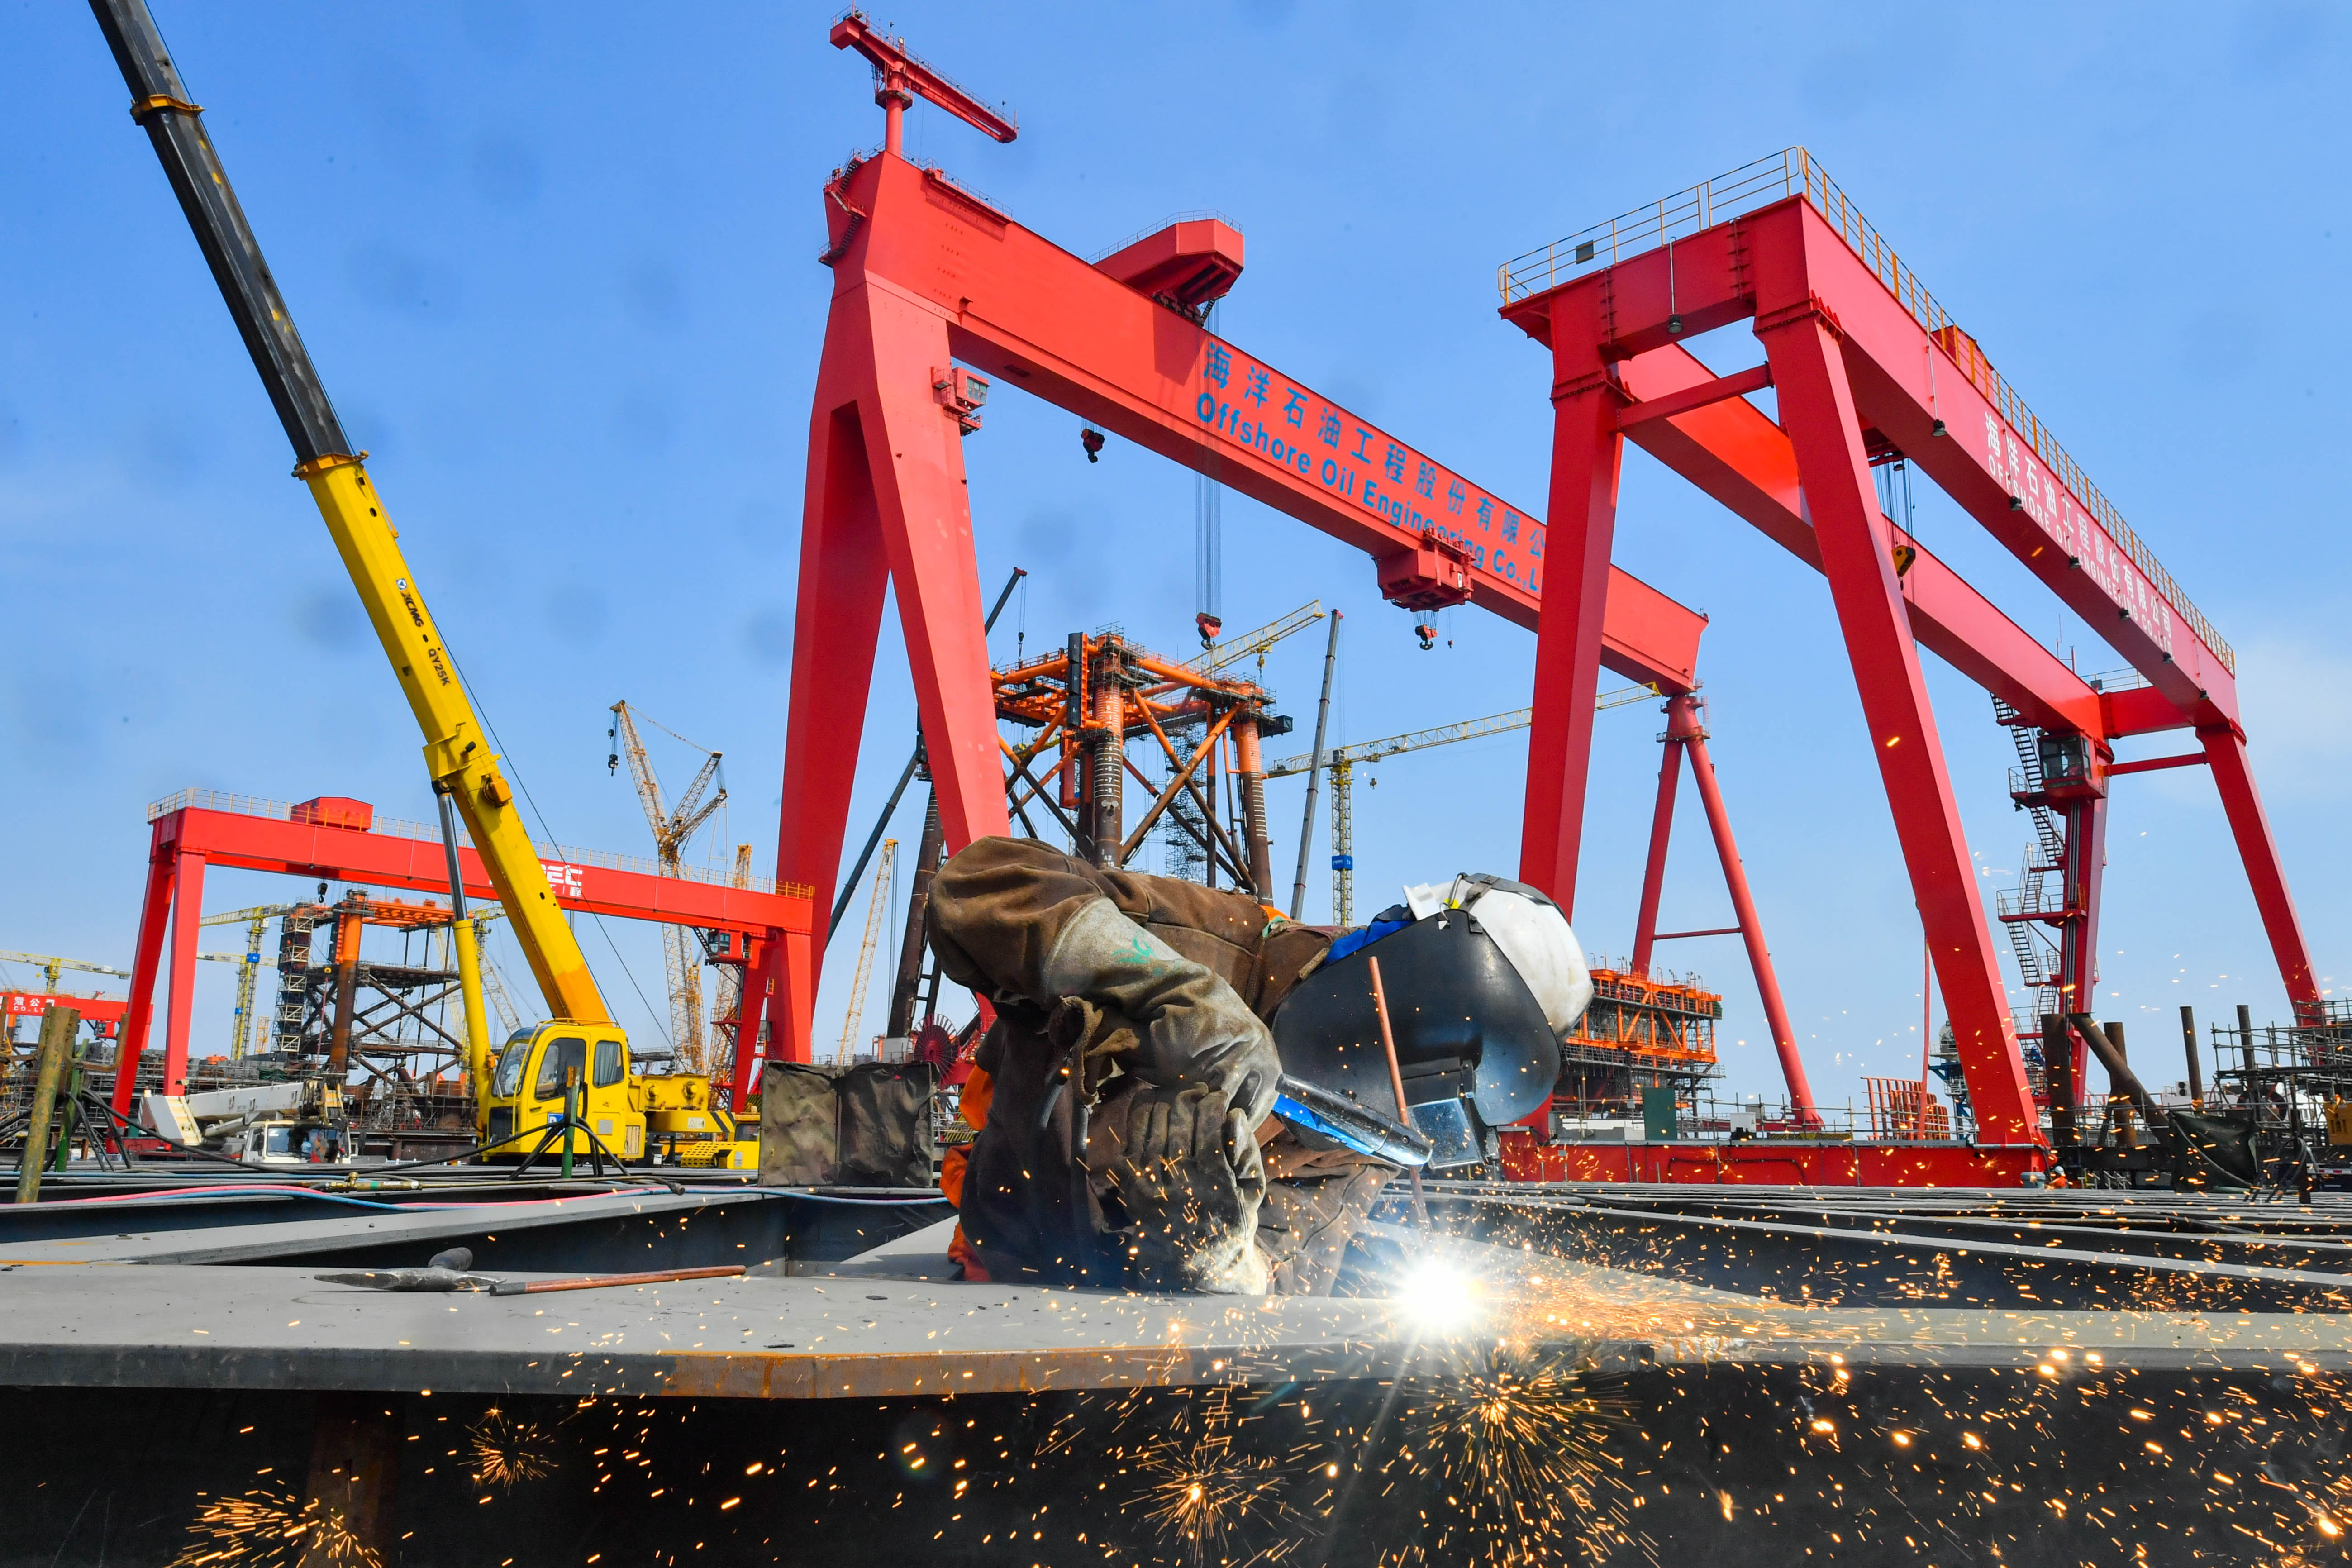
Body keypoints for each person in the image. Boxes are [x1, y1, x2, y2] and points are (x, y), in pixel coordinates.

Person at [927, 837, 1591, 1295]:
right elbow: (976, 882)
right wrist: (1172, 989)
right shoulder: (1224, 939)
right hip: (998, 1257)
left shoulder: (1360, 1141)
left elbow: (1281, 1274)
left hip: (1107, 1308)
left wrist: (1220, 1256)